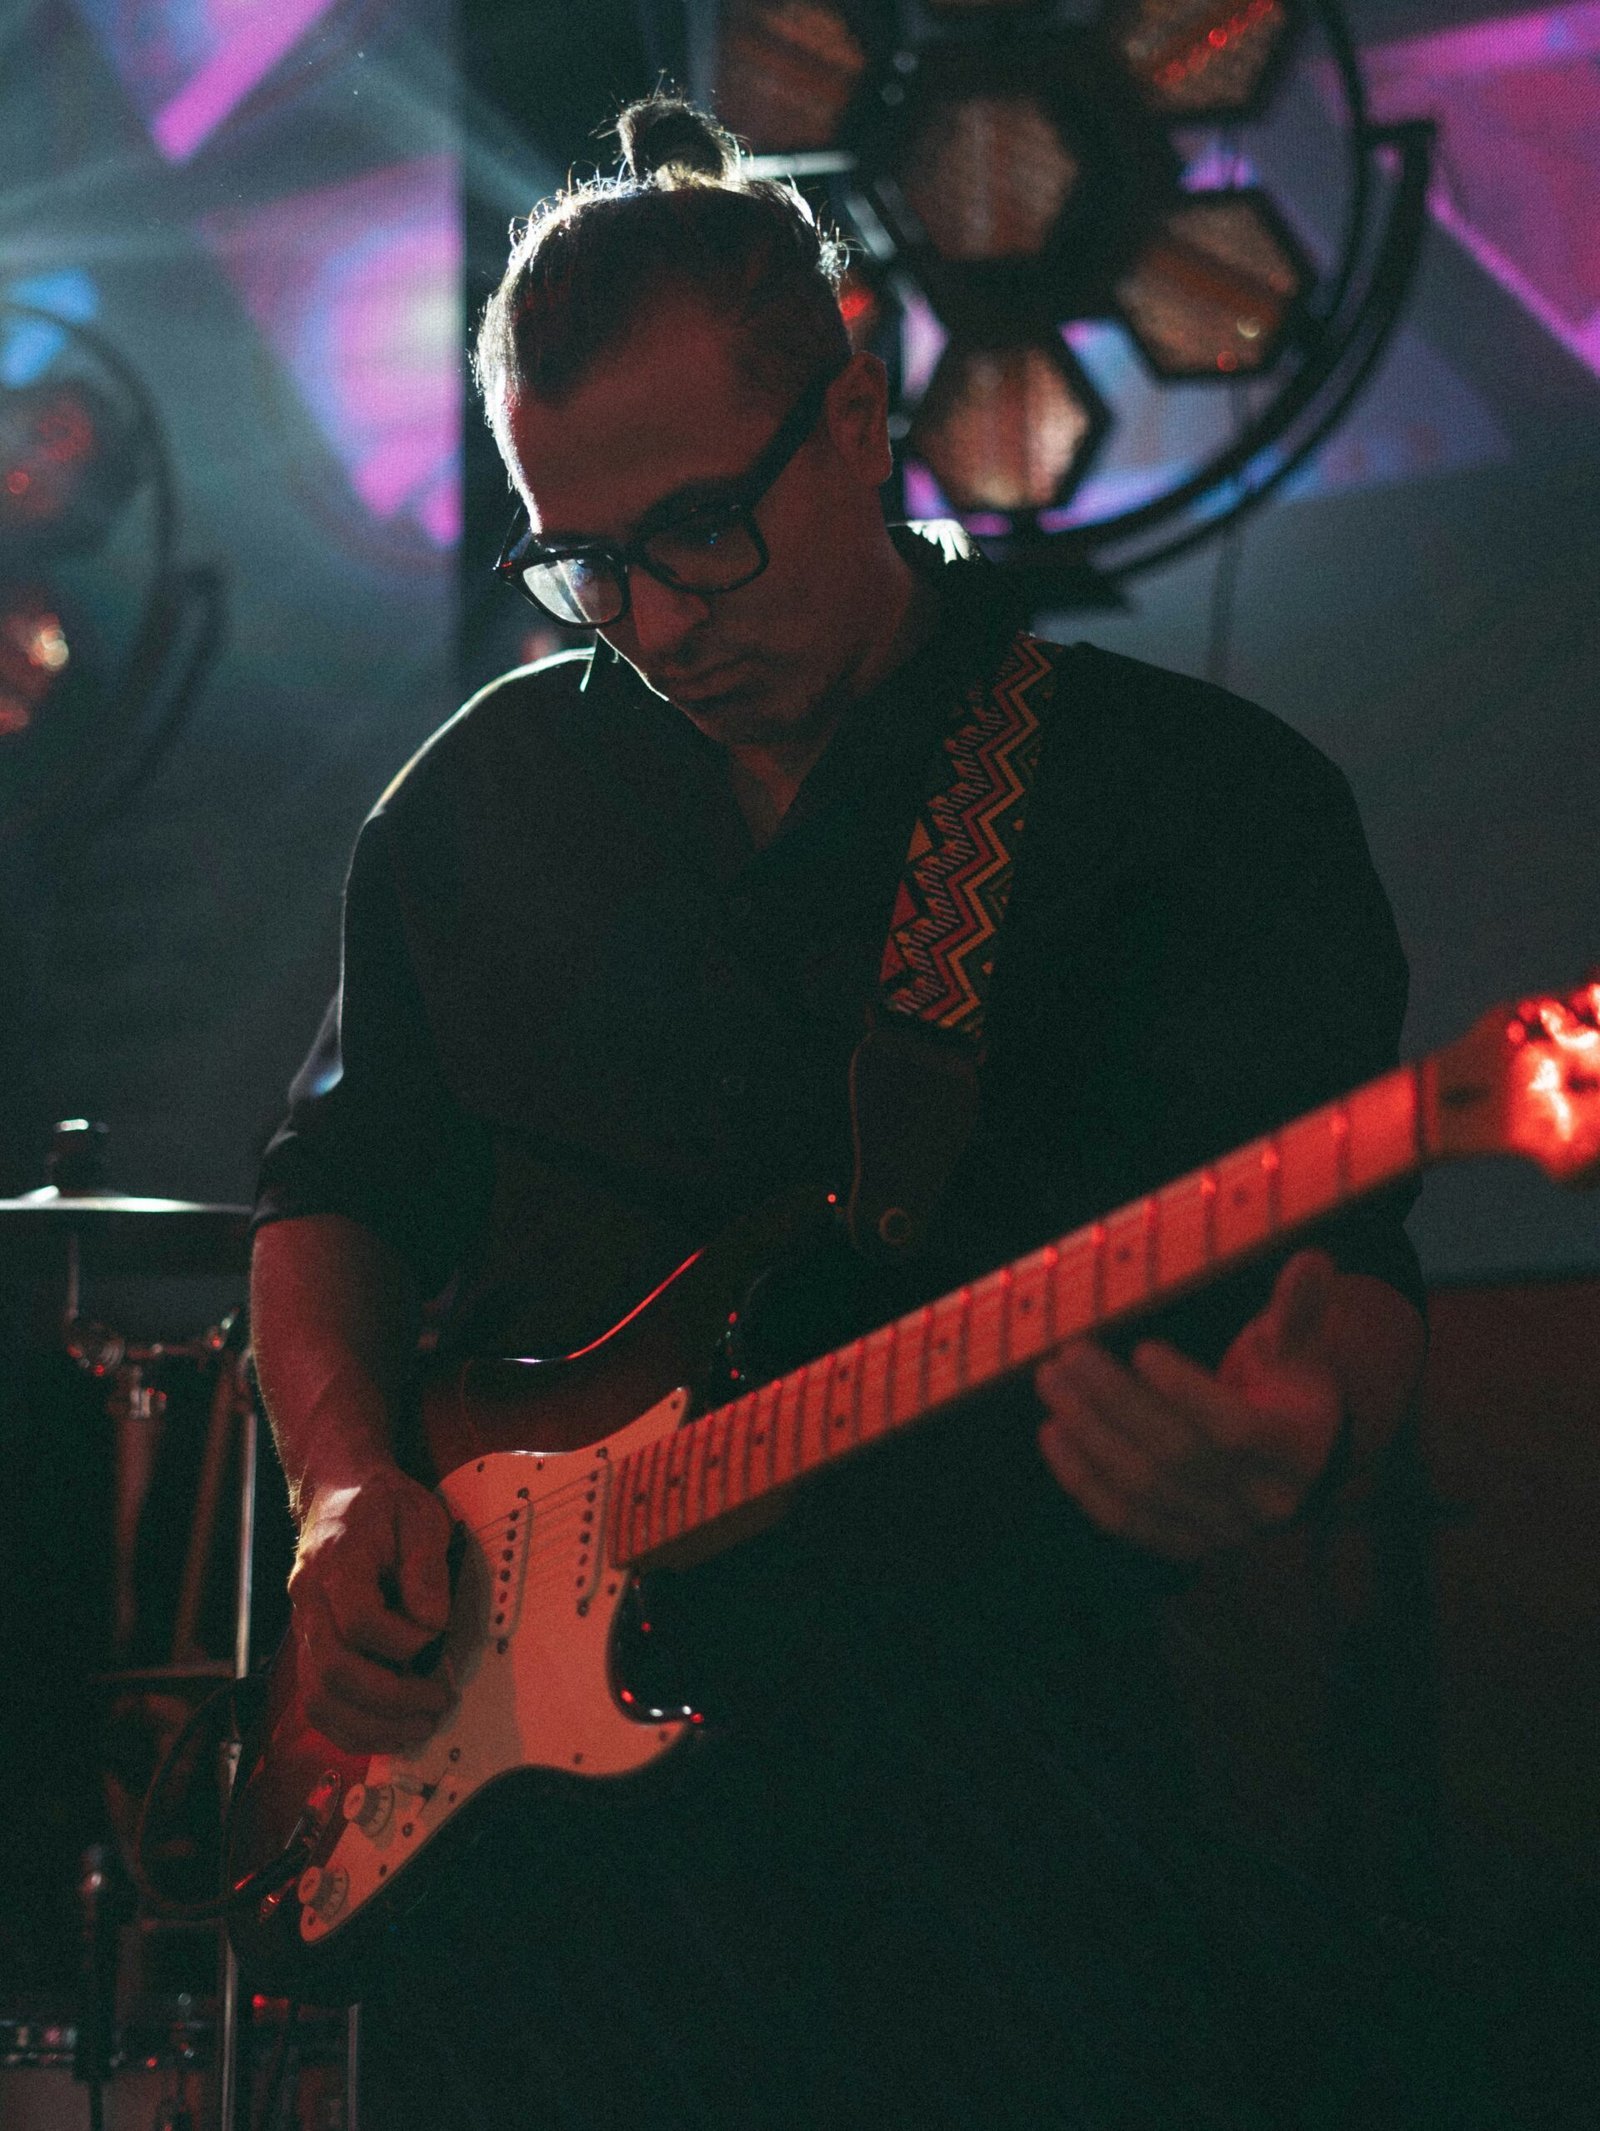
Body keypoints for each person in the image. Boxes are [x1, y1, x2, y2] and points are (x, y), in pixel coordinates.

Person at [250, 96, 1453, 2130]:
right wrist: (350, 1488)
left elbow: (1347, 1273)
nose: (654, 621)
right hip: (521, 1893)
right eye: (583, 564)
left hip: (985, 1856)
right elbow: (336, 1186)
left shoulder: (1187, 809)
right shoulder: (477, 805)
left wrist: (1295, 1426)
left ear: (852, 410)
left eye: (701, 529)